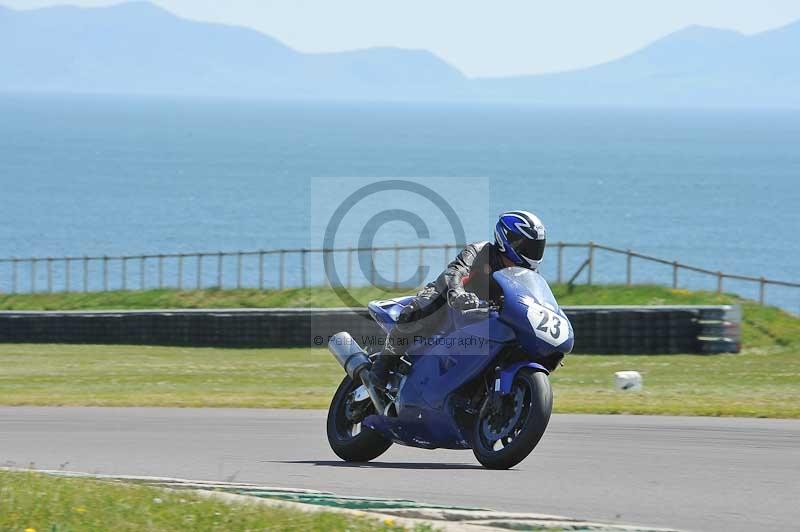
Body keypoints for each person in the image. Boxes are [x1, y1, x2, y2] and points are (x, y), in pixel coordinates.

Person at [367, 210, 548, 390]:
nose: (532, 252)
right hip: (450, 301)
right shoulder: (480, 251)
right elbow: (456, 271)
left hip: (486, 316)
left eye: (537, 246)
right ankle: (382, 364)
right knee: (423, 308)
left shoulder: (529, 274)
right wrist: (457, 292)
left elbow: (536, 300)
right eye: (528, 246)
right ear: (508, 240)